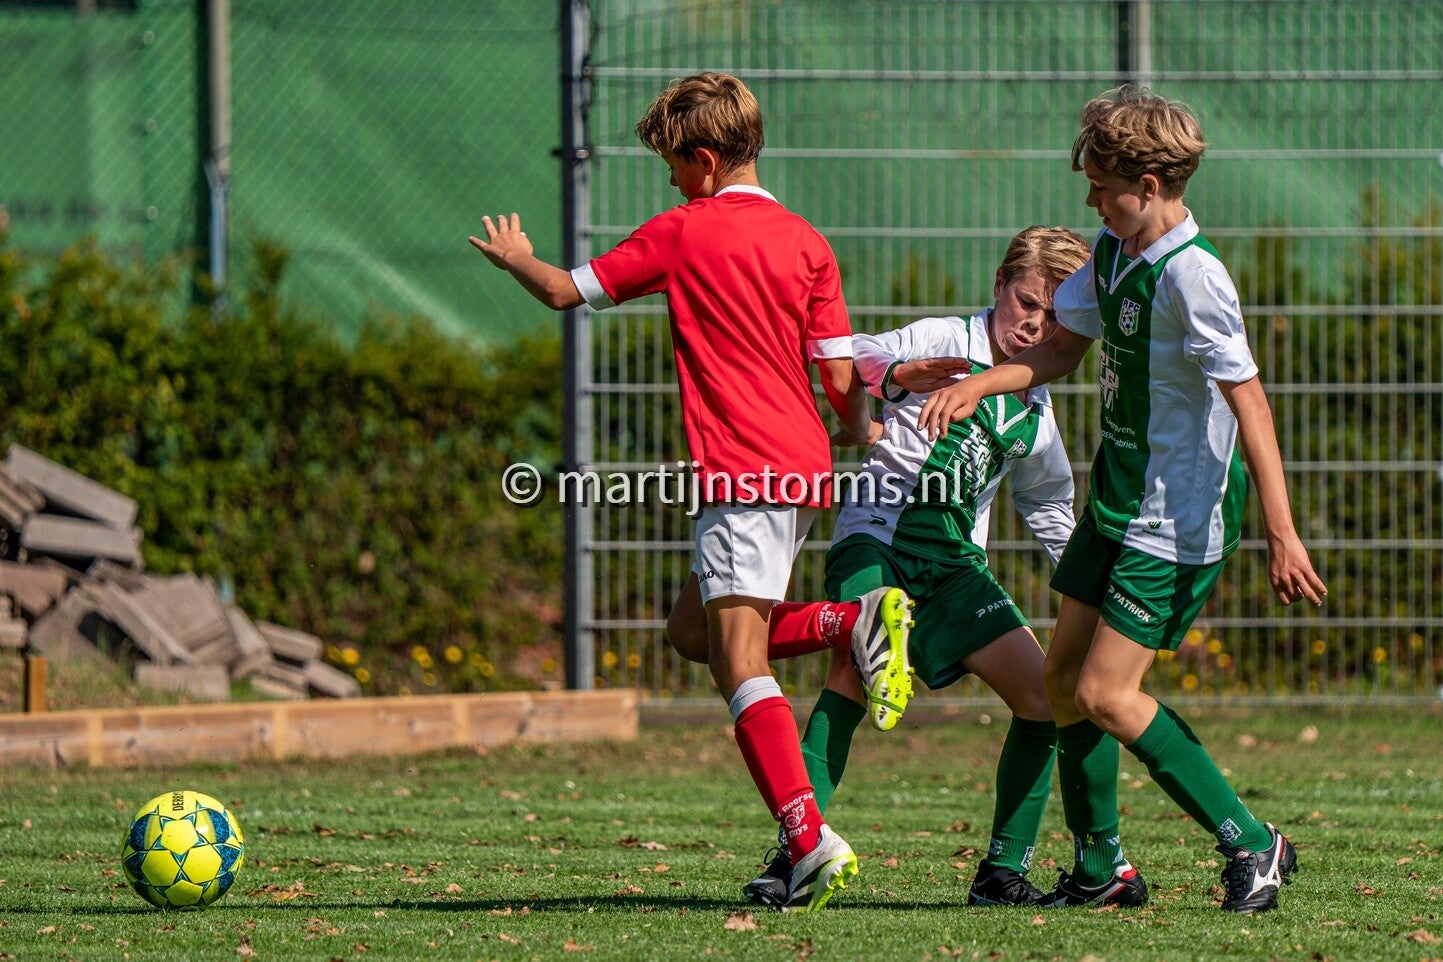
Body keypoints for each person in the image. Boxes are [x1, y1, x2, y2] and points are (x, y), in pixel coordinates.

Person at [469, 71, 915, 913]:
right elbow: (837, 374)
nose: (671, 180)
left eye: (673, 164)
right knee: (691, 634)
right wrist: (861, 425)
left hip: (740, 465)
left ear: (704, 160)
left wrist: (515, 258)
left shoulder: (684, 230)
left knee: (738, 662)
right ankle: (844, 624)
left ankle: (808, 839)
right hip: (799, 466)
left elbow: (564, 290)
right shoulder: (806, 241)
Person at [916, 85, 1327, 915]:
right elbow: (1060, 352)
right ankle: (1100, 868)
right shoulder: (1111, 253)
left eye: (1102, 186)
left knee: (1105, 694)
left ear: (1147, 183)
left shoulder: (1194, 277)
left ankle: (1252, 842)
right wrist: (980, 384)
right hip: (1117, 499)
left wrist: (1282, 532)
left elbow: (1249, 402)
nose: (1090, 202)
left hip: (1175, 517)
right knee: (1062, 679)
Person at [709, 225, 1139, 909]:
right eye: (1027, 302)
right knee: (853, 667)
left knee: (1041, 699)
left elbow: (1052, 506)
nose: (1035, 324)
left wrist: (1094, 584)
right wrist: (896, 376)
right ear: (999, 285)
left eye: (1056, 318)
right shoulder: (944, 339)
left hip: (955, 568)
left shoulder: (1034, 410)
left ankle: (1000, 873)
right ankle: (796, 855)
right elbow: (851, 355)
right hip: (876, 542)